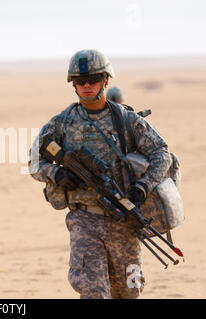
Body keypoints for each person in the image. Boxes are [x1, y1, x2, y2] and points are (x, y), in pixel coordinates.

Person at [29, 49, 172, 299]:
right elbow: (34, 161)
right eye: (79, 81)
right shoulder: (62, 123)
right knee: (93, 292)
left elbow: (162, 153)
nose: (86, 85)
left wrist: (142, 187)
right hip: (85, 221)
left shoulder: (127, 121)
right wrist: (56, 174)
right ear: (72, 84)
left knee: (129, 292)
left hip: (125, 223)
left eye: (92, 79)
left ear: (106, 80)